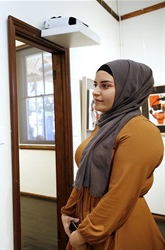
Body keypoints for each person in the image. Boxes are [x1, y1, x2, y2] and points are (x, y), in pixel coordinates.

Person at [61, 59, 165, 249]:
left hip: (117, 227)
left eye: (105, 85)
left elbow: (121, 194)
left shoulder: (141, 131)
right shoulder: (105, 126)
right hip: (90, 220)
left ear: (129, 89)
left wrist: (85, 234)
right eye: (95, 85)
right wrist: (67, 211)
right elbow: (83, 176)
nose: (95, 91)